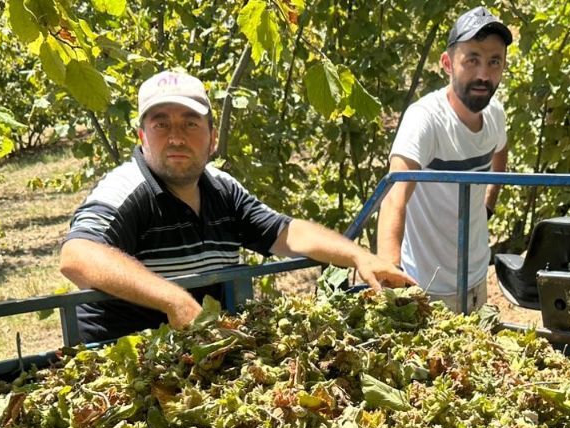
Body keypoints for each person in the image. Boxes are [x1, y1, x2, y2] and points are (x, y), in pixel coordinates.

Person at [60, 70, 415, 343]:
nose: (176, 137)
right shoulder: (126, 189)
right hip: (129, 361)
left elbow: (286, 232)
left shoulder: (221, 188)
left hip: (204, 351)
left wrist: (358, 256)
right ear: (142, 136)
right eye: (161, 124)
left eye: (190, 123)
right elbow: (77, 256)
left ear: (212, 137)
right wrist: (176, 301)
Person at [376, 6, 511, 313]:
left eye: (494, 62)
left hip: (476, 275)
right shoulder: (425, 120)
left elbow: (500, 151)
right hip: (426, 285)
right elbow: (394, 197)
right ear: (448, 64)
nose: (483, 74)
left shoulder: (495, 115)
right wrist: (390, 275)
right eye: (472, 60)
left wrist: (489, 203)